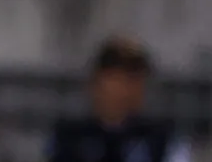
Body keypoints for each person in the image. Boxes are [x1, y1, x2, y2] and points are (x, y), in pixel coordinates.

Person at [46, 38, 191, 162]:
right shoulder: (69, 137)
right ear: (96, 83)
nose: (124, 90)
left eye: (134, 79)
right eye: (117, 79)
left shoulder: (162, 139)